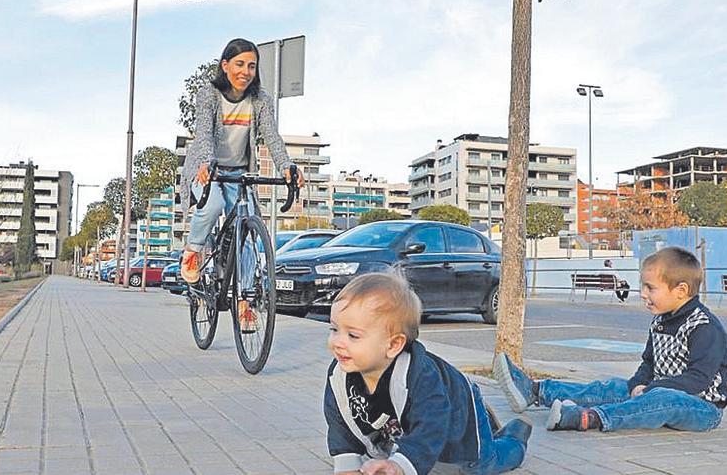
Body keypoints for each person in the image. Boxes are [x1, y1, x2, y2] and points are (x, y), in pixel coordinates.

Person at [495, 247, 727, 433]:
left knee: (664, 399)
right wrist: (636, 386)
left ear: (680, 290)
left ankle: (589, 418)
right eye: (643, 287)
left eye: (651, 288)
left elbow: (698, 379)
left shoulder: (704, 327)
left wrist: (651, 388)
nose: (644, 294)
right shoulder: (660, 321)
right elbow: (649, 363)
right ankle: (536, 391)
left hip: (701, 408)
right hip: (655, 392)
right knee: (613, 387)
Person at [324, 272, 531, 475]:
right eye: (334, 329)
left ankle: (514, 438)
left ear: (394, 345)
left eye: (353, 335)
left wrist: (400, 465)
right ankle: (488, 426)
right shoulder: (340, 375)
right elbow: (339, 420)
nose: (338, 342)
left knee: (478, 465)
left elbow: (431, 424)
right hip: (418, 416)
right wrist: (347, 463)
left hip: (458, 406)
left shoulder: (421, 376)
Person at [179, 38, 303, 331]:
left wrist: (286, 166)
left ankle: (244, 302)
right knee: (213, 206)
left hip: (238, 172)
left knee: (245, 231)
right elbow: (204, 134)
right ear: (225, 65)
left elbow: (271, 137)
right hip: (204, 168)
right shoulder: (208, 95)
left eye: (251, 65)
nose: (245, 71)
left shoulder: (259, 99)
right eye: (239, 64)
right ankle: (193, 251)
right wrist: (207, 162)